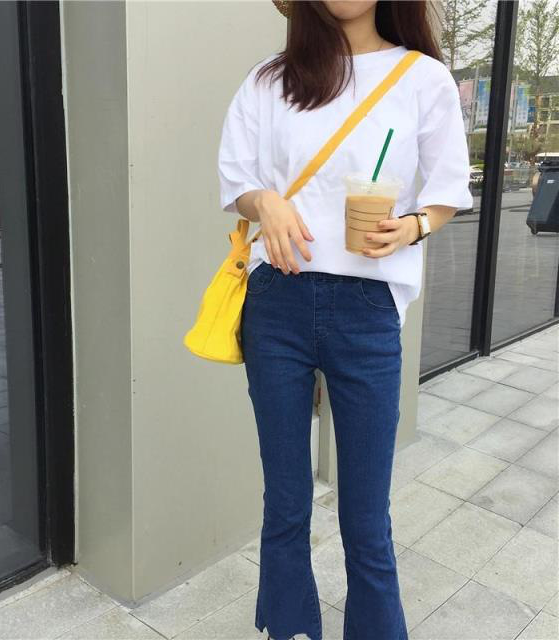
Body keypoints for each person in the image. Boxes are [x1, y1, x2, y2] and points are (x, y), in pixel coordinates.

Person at [217, 2, 472, 639]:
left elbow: (447, 188)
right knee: (285, 502)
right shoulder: (269, 80)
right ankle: (290, 629)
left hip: (368, 309)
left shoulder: (422, 77)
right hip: (277, 300)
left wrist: (413, 226)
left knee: (365, 515)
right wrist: (265, 201)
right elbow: (237, 179)